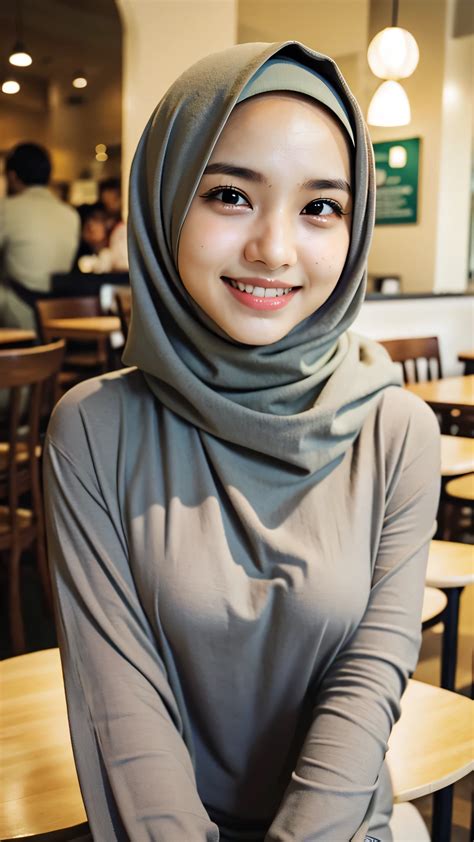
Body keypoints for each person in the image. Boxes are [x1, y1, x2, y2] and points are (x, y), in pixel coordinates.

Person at [44, 41, 440, 842]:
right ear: (163, 198)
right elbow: (123, 712)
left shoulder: (399, 431)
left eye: (320, 207)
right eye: (229, 194)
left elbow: (367, 686)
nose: (276, 249)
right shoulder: (93, 428)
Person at [0, 143, 80, 330]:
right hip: (58, 312)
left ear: (12, 176)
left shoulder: (6, 209)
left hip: (18, 309)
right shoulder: (70, 214)